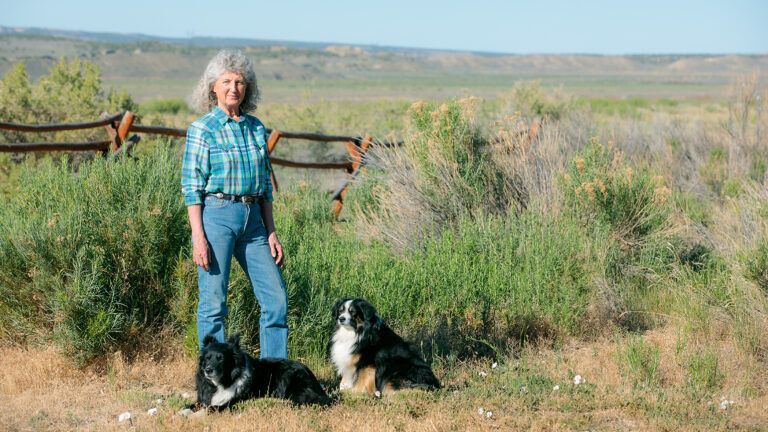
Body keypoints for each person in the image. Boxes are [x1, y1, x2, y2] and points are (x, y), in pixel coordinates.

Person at [181, 49, 287, 358]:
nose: (233, 88)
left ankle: (273, 374)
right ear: (212, 87)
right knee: (214, 303)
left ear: (247, 88)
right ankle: (213, 379)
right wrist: (198, 237)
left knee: (275, 299)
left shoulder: (255, 127)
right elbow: (191, 188)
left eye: (240, 82)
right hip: (217, 216)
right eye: (226, 81)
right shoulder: (202, 129)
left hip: (254, 220)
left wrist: (271, 231)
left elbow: (266, 185)